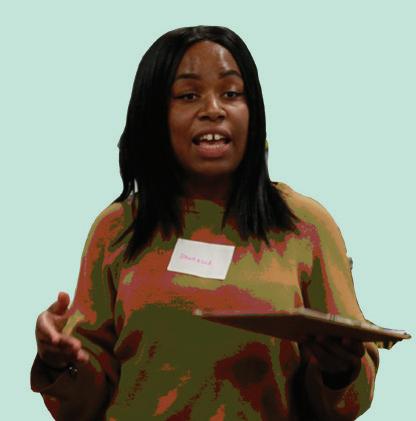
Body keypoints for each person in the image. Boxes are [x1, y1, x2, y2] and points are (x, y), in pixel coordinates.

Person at [31, 26, 379, 420]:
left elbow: (352, 397)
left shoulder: (306, 225)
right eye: (188, 95)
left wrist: (340, 372)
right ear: (153, 114)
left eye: (231, 93)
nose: (214, 109)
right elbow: (82, 404)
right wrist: (59, 362)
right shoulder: (117, 228)